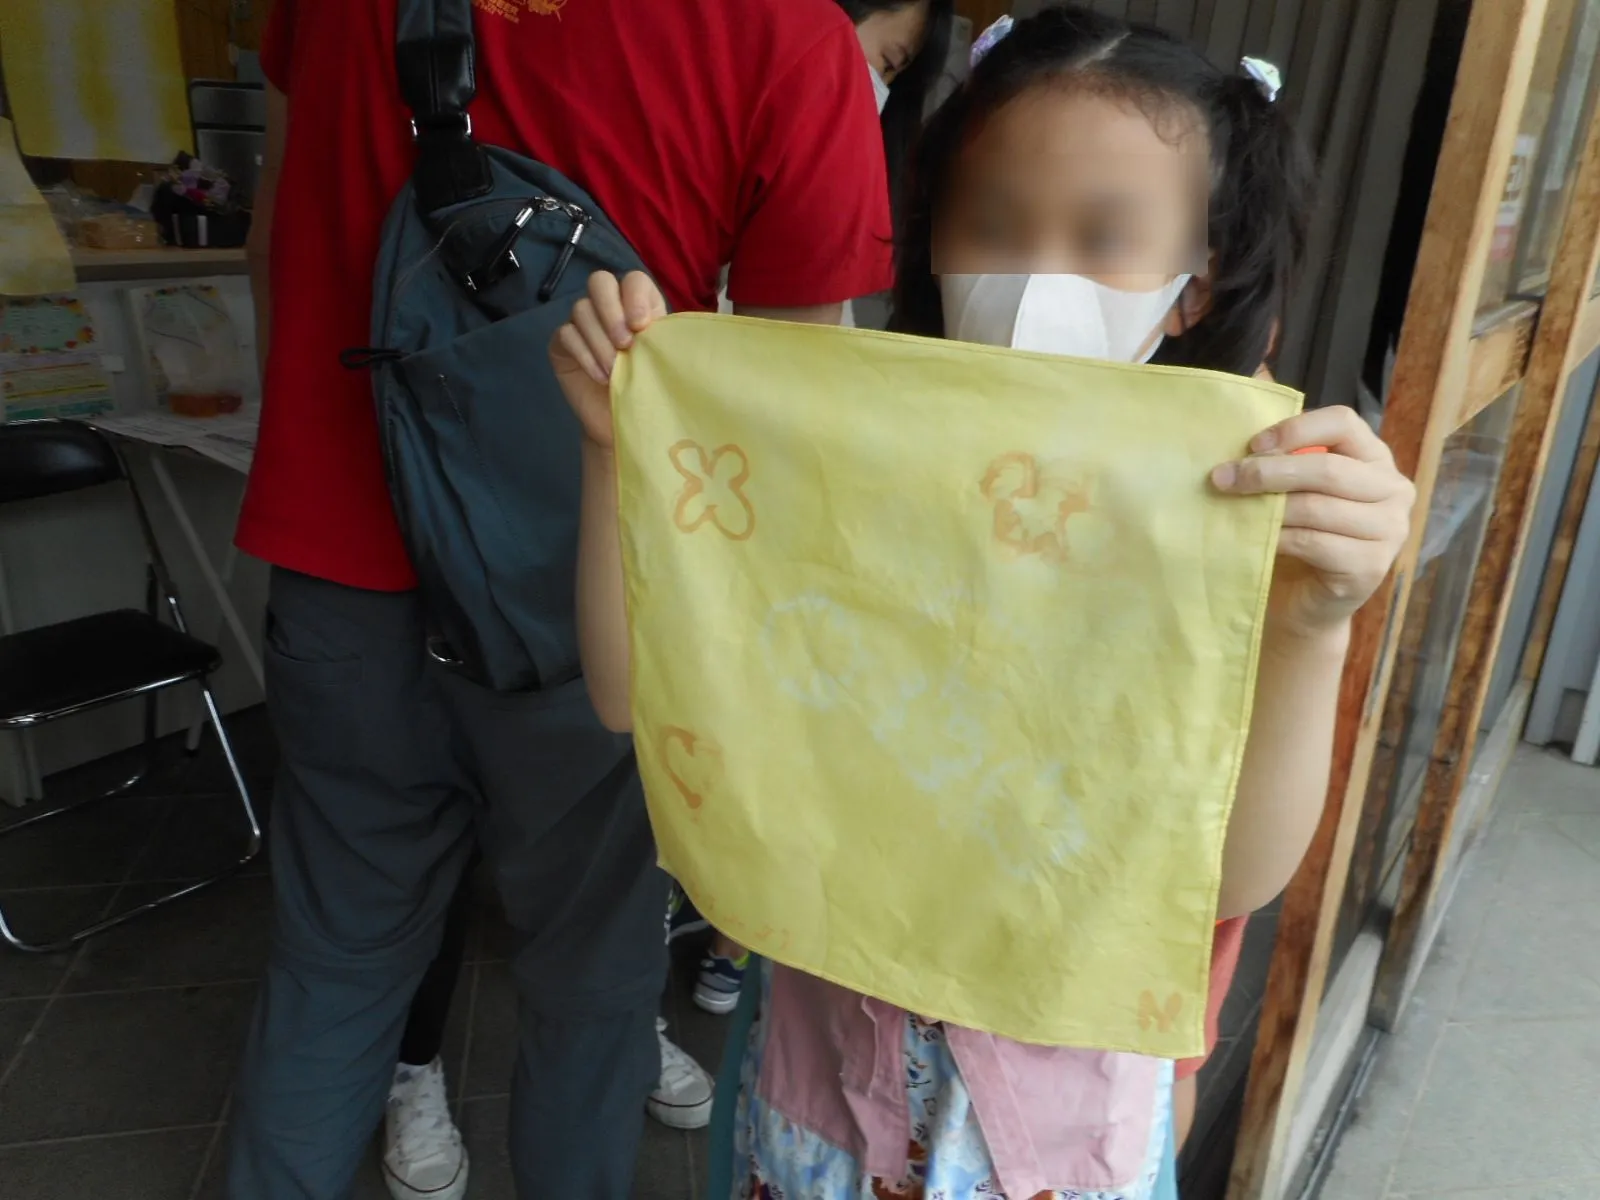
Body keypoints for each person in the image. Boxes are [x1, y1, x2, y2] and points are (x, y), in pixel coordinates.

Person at [549, 6, 1416, 1198]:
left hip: (1052, 1138)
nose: (1035, 275)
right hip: (818, 1095)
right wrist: (614, 453)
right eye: (994, 227)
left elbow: (1232, 879)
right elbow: (628, 697)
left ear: (1194, 285)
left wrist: (1314, 627)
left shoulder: (1234, 507)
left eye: (1103, 236)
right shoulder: (835, 471)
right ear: (934, 240)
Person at [228, 0, 894, 1195]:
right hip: (590, 607)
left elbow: (271, 242)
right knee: (590, 986)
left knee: (332, 967)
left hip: (339, 571)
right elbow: (788, 400)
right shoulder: (785, 33)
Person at [694, 0, 956, 1018]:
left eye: (895, 68)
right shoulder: (770, 82)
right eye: (886, 54)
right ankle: (720, 924)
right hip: (723, 513)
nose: (875, 83)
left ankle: (732, 935)